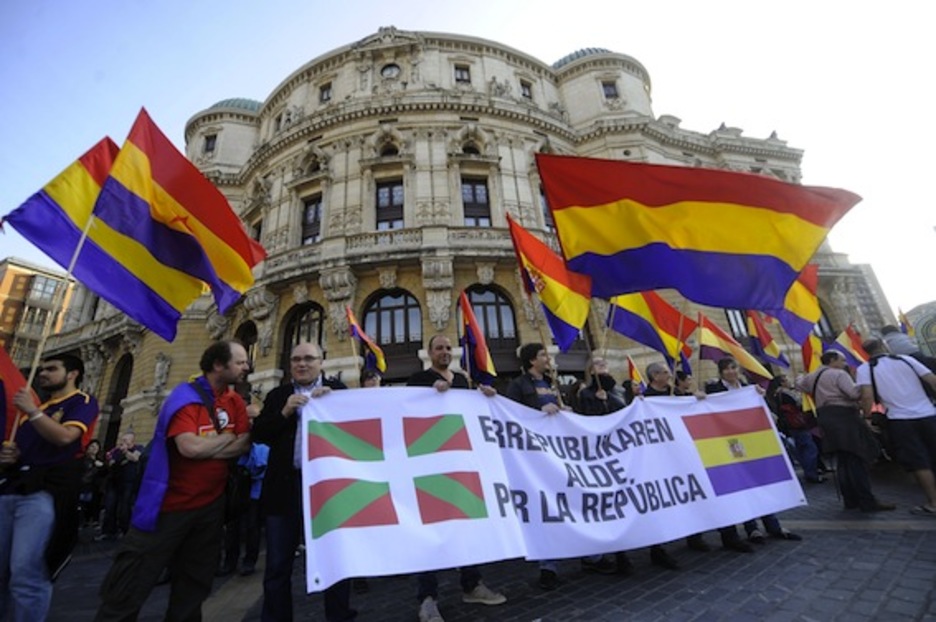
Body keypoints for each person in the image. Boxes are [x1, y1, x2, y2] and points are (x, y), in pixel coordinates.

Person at [95, 341, 251, 621]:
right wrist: (226, 439)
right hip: (166, 508)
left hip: (210, 509)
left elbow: (241, 445)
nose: (246, 366)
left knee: (194, 589)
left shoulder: (235, 401)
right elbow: (189, 448)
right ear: (219, 365)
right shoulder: (185, 397)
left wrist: (215, 443)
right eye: (240, 362)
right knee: (130, 585)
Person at [251, 341, 355, 622]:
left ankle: (339, 616)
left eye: (309, 358)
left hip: (328, 493)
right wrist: (284, 412)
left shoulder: (337, 392)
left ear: (322, 361)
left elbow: (355, 435)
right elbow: (259, 433)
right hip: (284, 491)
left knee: (334, 561)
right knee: (277, 565)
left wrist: (333, 406)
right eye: (296, 359)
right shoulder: (277, 395)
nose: (301, 364)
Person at [407, 334, 504, 622]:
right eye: (439, 348)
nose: (445, 352)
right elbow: (407, 411)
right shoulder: (418, 380)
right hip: (429, 465)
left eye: (449, 348)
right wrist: (428, 394)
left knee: (467, 524)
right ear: (429, 353)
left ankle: (472, 584)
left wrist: (484, 398)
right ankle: (427, 598)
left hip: (460, 464)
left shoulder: (463, 380)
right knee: (432, 533)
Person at [1, 353, 100, 620]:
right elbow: (25, 451)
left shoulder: (83, 402)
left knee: (27, 572)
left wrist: (32, 412)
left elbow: (66, 437)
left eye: (51, 369)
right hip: (11, 491)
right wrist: (11, 456)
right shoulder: (32, 410)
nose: (43, 373)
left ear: (72, 374)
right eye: (42, 368)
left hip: (44, 495)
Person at [576, 358, 680, 573]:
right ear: (590, 371)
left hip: (629, 453)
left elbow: (626, 414)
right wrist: (597, 403)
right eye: (598, 366)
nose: (603, 369)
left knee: (643, 497)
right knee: (616, 504)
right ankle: (620, 555)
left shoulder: (617, 392)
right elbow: (584, 424)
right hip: (605, 457)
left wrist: (609, 401)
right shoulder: (584, 394)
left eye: (605, 365)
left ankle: (657, 548)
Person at [704, 358, 801, 547]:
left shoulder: (748, 386)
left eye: (734, 367)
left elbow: (766, 410)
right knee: (744, 485)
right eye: (727, 369)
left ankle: (773, 525)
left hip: (753, 441)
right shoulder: (714, 390)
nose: (731, 372)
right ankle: (752, 528)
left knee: (761, 481)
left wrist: (761, 397)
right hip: (731, 444)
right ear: (721, 372)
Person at [796, 350, 893, 512]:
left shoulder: (812, 376)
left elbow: (799, 383)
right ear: (832, 360)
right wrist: (865, 385)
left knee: (843, 460)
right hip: (844, 417)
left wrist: (800, 376)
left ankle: (850, 499)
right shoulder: (838, 374)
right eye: (842, 360)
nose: (844, 364)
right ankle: (867, 500)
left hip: (826, 418)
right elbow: (853, 394)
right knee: (856, 458)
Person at [505, 343, 568, 590]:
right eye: (543, 355)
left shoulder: (553, 383)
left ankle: (590, 555)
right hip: (534, 458)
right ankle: (548, 565)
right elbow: (511, 415)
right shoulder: (518, 386)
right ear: (532, 361)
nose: (548, 358)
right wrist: (539, 411)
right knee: (544, 508)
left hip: (559, 453)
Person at [856, 338, 936, 515]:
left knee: (918, 462)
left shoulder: (865, 369)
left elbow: (867, 397)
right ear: (884, 346)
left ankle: (933, 502)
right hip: (929, 414)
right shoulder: (907, 359)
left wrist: (867, 418)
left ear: (866, 352)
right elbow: (932, 380)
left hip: (900, 420)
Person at [641, 362, 712, 553]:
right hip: (659, 456)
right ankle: (658, 548)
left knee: (690, 493)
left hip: (681, 452)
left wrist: (696, 399)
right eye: (665, 372)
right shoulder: (644, 399)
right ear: (655, 376)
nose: (670, 375)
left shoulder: (678, 394)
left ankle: (695, 536)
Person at [765, 375, 822, 484]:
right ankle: (811, 474)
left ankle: (809, 471)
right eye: (786, 380)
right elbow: (800, 403)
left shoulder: (775, 394)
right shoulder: (786, 393)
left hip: (789, 425)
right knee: (809, 448)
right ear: (782, 382)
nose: (788, 381)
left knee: (801, 448)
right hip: (797, 424)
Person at [99, 431, 144, 540]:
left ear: (132, 441)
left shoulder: (139, 448)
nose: (123, 442)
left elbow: (135, 458)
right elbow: (111, 463)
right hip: (114, 482)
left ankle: (124, 531)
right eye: (122, 439)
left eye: (126, 440)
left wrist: (125, 452)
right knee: (110, 507)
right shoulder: (116, 451)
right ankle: (108, 531)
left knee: (124, 508)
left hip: (128, 482)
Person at [79, 439, 106, 526]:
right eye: (92, 446)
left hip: (94, 488)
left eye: (96, 447)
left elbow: (105, 473)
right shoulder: (84, 459)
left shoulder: (100, 461)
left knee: (90, 507)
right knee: (81, 506)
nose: (94, 449)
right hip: (83, 486)